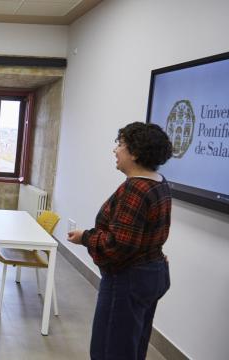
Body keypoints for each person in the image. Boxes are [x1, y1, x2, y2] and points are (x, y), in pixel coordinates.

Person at [67, 122, 173, 360]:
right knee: (133, 347)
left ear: (135, 152)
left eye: (120, 144)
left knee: (109, 351)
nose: (115, 150)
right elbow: (149, 234)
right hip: (153, 273)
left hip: (127, 281)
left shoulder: (135, 189)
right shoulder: (159, 182)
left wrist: (86, 237)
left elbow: (119, 246)